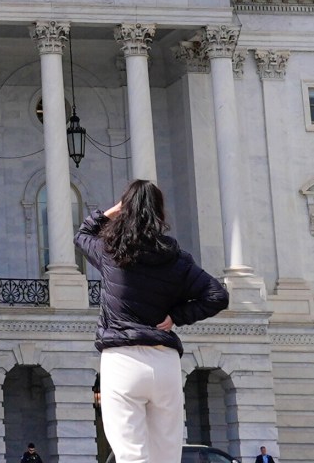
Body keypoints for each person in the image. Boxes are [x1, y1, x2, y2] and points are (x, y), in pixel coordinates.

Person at [78, 179, 230, 463]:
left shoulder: (110, 252)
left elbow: (84, 232)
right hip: (164, 363)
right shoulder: (176, 259)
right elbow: (217, 296)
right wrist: (177, 316)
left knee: (131, 456)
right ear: (159, 214)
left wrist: (115, 210)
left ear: (127, 210)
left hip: (121, 360)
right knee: (166, 456)